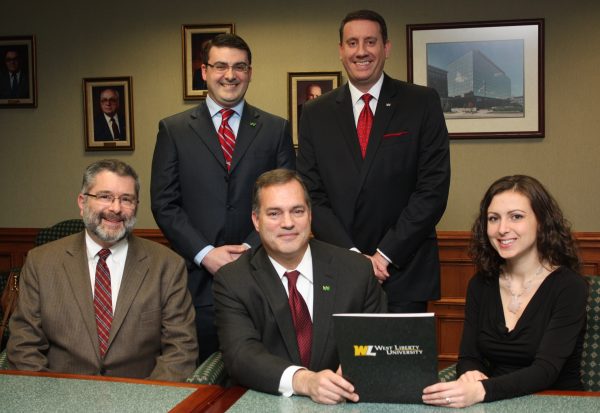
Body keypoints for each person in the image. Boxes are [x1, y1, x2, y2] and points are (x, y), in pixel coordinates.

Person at [151, 34, 295, 363]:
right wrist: (206, 254)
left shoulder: (275, 129)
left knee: (264, 371)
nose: (230, 75)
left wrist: (248, 248)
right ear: (204, 71)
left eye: (239, 67)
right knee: (201, 376)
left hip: (263, 279)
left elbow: (288, 201)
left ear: (250, 72)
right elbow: (164, 204)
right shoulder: (174, 130)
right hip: (196, 284)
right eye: (220, 66)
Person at [296, 9, 450, 313]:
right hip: (338, 268)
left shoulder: (421, 102)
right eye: (352, 43)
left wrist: (385, 254)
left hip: (404, 268)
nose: (361, 51)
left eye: (370, 41)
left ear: (386, 48)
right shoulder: (315, 113)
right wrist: (353, 257)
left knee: (404, 347)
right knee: (341, 348)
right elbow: (312, 194)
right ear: (341, 50)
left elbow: (432, 189)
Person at [7, 159, 198, 381]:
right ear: (82, 202)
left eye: (126, 199)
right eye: (105, 196)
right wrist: (51, 398)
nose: (116, 208)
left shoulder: (167, 266)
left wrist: (147, 398)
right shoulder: (41, 263)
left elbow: (181, 351)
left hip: (140, 394)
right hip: (59, 394)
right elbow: (23, 347)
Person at [213, 169, 387, 404]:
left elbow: (380, 341)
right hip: (265, 403)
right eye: (274, 213)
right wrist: (304, 381)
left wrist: (357, 369)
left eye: (297, 211)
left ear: (310, 215)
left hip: (345, 402)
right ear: (256, 220)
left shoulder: (356, 270)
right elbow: (241, 355)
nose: (288, 223)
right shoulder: (233, 280)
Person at [422, 175, 588, 408]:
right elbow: (469, 357)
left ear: (542, 221)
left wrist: (481, 390)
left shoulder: (569, 286)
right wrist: (470, 373)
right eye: (493, 218)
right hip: (497, 403)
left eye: (516, 217)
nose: (502, 229)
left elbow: (546, 371)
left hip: (558, 403)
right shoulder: (480, 284)